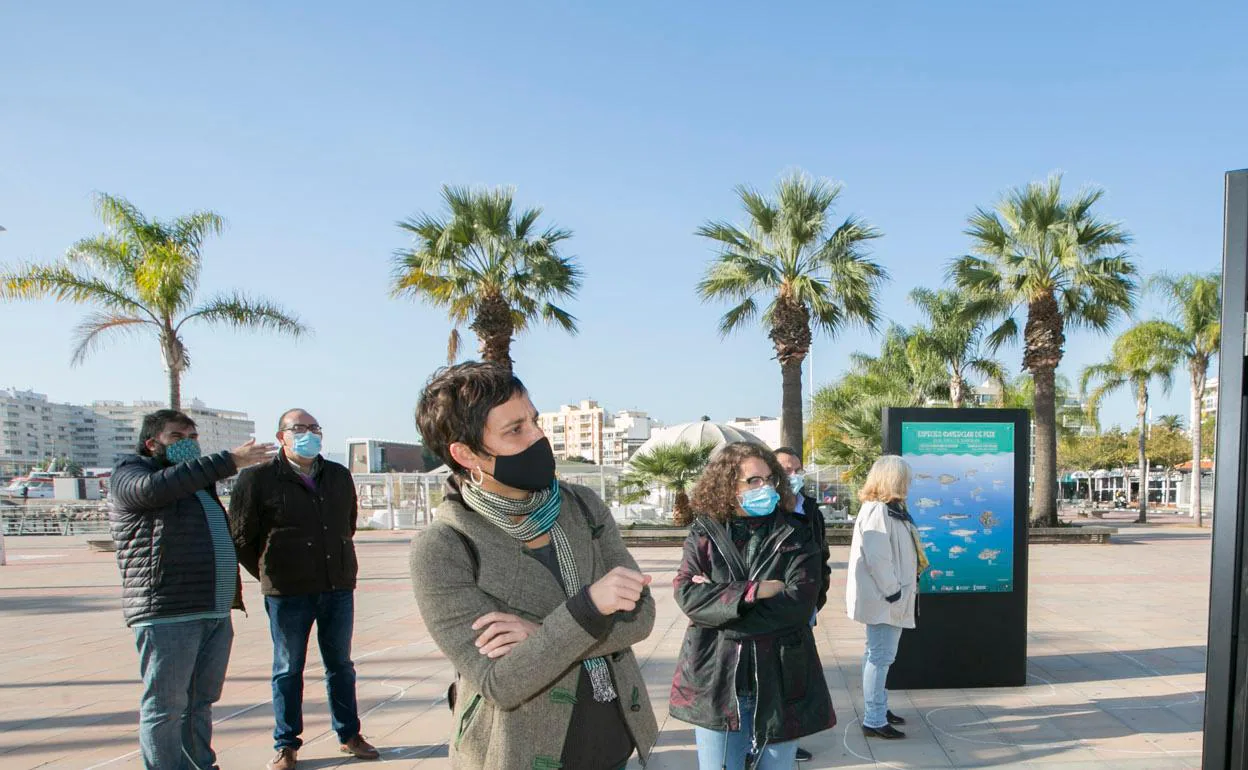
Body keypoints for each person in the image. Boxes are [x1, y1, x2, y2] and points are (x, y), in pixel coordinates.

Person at [409, 362, 659, 770]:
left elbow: (643, 615)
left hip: (614, 739)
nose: (538, 436)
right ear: (466, 453)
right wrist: (589, 610)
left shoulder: (582, 506)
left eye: (534, 420)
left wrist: (541, 633)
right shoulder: (442, 547)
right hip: (520, 752)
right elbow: (500, 682)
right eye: (515, 430)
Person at [109, 409, 277, 770]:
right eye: (177, 438)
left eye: (193, 438)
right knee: (166, 707)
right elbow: (151, 491)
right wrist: (229, 460)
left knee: (200, 702)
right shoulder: (132, 472)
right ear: (152, 443)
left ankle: (201, 764)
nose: (188, 445)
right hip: (168, 611)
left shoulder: (198, 485)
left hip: (212, 610)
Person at [670, 442, 835, 770]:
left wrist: (721, 605)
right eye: (754, 481)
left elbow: (799, 605)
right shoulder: (704, 533)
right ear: (728, 484)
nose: (766, 488)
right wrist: (755, 591)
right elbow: (688, 596)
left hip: (780, 679)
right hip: (717, 680)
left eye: (770, 479)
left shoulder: (796, 533)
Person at [229, 409, 380, 769]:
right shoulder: (257, 479)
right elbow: (241, 538)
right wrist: (272, 570)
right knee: (287, 668)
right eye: (299, 428)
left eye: (314, 428)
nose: (309, 434)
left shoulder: (338, 476)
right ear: (281, 436)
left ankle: (348, 734)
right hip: (288, 592)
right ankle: (286, 743)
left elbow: (348, 524)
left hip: (336, 586)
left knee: (340, 666)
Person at [845, 454, 928, 740]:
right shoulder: (878, 511)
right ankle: (874, 718)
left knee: (877, 655)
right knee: (880, 657)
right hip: (886, 599)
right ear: (893, 479)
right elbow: (877, 558)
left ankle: (879, 707)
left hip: (890, 598)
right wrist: (894, 592)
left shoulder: (891, 509)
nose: (909, 482)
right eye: (905, 477)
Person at [772, 447, 831, 763]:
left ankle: (789, 737)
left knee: (796, 673)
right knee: (774, 673)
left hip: (804, 607)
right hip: (774, 606)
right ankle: (769, 735)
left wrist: (818, 596)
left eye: (796, 469)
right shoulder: (766, 510)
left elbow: (822, 556)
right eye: (785, 469)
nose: (792, 475)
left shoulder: (811, 510)